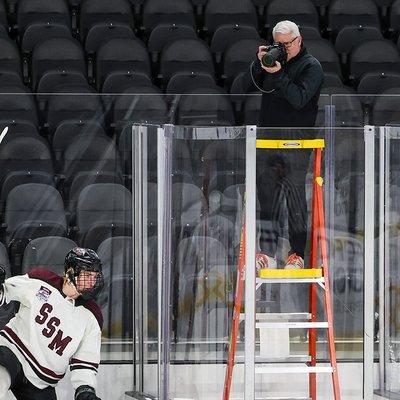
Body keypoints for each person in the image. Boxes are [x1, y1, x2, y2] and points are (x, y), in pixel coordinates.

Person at [244, 20, 324, 270]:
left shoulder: (311, 67)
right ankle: (267, 252)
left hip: (297, 143)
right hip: (268, 141)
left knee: (295, 199)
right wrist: (260, 63)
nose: (282, 48)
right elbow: (248, 87)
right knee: (267, 198)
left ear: (298, 40)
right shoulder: (272, 63)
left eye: (286, 44)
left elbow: (299, 99)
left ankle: (297, 253)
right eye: (278, 44)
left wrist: (278, 74)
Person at [0, 247, 104, 400]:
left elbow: (85, 359)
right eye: (87, 275)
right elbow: (6, 291)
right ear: (69, 272)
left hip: (41, 381)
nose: (91, 281)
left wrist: (85, 388)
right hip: (11, 353)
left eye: (95, 276)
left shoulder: (92, 316)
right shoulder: (42, 279)